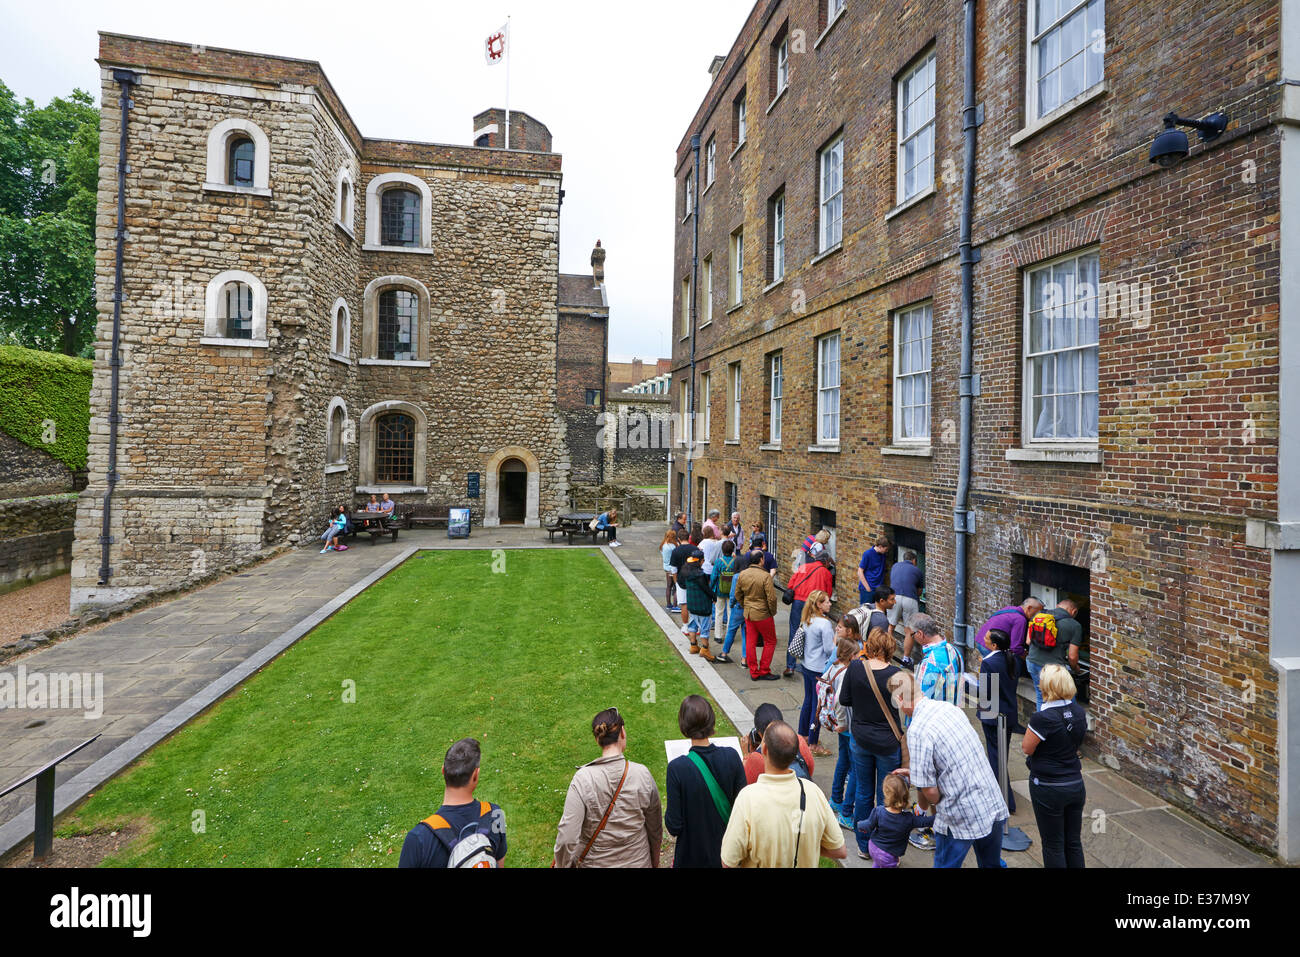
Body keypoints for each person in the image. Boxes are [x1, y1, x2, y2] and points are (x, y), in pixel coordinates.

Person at [890, 670, 1009, 868]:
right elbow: (954, 759)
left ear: (901, 698)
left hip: (959, 815)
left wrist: (925, 788)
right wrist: (917, 774)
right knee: (992, 865)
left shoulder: (917, 730)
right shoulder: (948, 708)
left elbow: (930, 793)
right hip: (989, 801)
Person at [721, 721, 846, 868]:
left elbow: (728, 862)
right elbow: (840, 850)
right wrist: (808, 847)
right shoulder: (813, 792)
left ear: (764, 749)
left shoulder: (747, 798)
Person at [553, 708, 662, 868]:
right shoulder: (642, 774)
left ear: (597, 740)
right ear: (622, 732)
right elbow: (655, 828)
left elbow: (567, 838)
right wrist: (654, 861)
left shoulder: (582, 780)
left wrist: (563, 865)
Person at [837, 626, 902, 858]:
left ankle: (864, 846)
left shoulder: (855, 668)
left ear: (870, 646)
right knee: (887, 796)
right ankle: (883, 845)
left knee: (863, 793)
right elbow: (903, 707)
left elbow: (844, 699)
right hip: (887, 743)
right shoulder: (896, 674)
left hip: (861, 739)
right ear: (890, 648)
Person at [664, 695, 747, 868]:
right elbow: (743, 811)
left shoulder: (677, 768)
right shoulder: (732, 756)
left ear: (683, 726)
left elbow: (674, 825)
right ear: (712, 722)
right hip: (727, 856)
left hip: (691, 858)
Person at [399, 738, 506, 868]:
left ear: (443, 770)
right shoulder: (495, 814)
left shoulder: (418, 838)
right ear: (475, 775)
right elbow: (499, 864)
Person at [1023, 664, 1088, 868]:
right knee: (1073, 842)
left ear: (1047, 687)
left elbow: (1027, 748)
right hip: (1075, 784)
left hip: (1049, 787)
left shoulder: (1043, 718)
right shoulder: (1079, 712)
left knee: (1053, 845)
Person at [978, 628, 1021, 814]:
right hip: (1009, 714)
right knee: (1001, 755)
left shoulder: (989, 663)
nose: (984, 639)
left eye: (986, 638)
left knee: (995, 757)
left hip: (993, 717)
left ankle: (1004, 800)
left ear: (994, 645)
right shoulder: (1013, 660)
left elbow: (987, 694)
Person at [859, 773, 935, 868]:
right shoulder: (909, 819)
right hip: (889, 856)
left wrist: (860, 825)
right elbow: (926, 821)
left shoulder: (878, 811)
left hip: (873, 847)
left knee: (878, 863)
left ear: (886, 794)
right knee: (884, 863)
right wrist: (941, 815)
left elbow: (868, 825)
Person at [823, 631, 859, 829]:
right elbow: (839, 700)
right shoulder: (847, 673)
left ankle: (836, 798)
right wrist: (844, 723)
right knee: (855, 769)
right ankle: (846, 812)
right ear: (850, 656)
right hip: (848, 726)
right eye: (857, 656)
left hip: (840, 724)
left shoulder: (835, 668)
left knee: (843, 761)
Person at [975, 597, 1045, 696]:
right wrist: (1027, 657)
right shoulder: (1020, 620)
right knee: (998, 675)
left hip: (981, 640)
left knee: (991, 674)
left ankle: (988, 696)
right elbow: (1015, 648)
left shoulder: (1010, 609)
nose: (1038, 615)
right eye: (1037, 612)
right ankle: (994, 700)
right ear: (1029, 608)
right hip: (990, 646)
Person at [784, 543, 835, 678]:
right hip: (813, 605)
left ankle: (790, 666)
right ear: (825, 562)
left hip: (798, 603)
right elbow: (827, 594)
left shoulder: (803, 567)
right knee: (812, 635)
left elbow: (791, 585)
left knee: (795, 632)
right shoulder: (826, 573)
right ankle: (807, 664)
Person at [796, 590, 836, 758]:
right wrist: (836, 642)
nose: (830, 604)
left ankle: (802, 735)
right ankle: (813, 743)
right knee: (817, 706)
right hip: (819, 668)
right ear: (819, 605)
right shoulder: (825, 624)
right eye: (827, 602)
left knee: (808, 700)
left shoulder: (808, 619)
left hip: (806, 665)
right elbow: (829, 650)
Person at [1026, 598, 1083, 710]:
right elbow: (1072, 656)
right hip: (1054, 669)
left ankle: (1042, 725)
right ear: (1074, 611)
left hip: (1032, 662)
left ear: (1057, 606)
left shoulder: (1039, 616)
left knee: (1041, 696)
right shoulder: (1074, 625)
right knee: (1068, 698)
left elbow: (1028, 641)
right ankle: (1072, 725)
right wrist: (1076, 669)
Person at [734, 545, 781, 680]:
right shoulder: (766, 576)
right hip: (763, 614)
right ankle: (764, 670)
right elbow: (771, 598)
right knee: (770, 641)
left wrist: (745, 605)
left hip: (748, 613)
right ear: (761, 560)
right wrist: (772, 611)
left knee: (750, 641)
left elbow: (738, 594)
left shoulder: (742, 574)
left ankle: (754, 671)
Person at [741, 701, 816, 785]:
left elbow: (745, 785)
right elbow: (809, 770)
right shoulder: (798, 740)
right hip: (802, 790)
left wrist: (747, 755)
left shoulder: (757, 758)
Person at [913, 613, 964, 706]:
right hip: (952, 714)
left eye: (912, 635)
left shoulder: (928, 663)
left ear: (920, 634)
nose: (912, 638)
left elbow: (920, 703)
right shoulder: (955, 651)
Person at [680, 547, 717, 660]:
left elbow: (682, 585)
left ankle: (693, 646)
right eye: (703, 560)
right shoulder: (700, 575)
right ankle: (705, 649)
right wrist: (714, 597)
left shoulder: (685, 572)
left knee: (692, 625)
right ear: (699, 561)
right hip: (703, 605)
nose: (704, 562)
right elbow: (706, 589)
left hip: (691, 604)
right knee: (705, 628)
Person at [890, 551, 925, 668]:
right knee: (909, 631)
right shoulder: (918, 571)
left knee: (890, 626)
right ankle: (905, 659)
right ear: (914, 560)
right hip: (910, 598)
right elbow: (919, 591)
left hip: (894, 597)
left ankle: (884, 653)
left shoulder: (895, 566)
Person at [709, 540, 739, 661]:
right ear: (732, 550)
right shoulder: (735, 562)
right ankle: (729, 636)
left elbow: (714, 577)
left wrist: (711, 590)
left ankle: (718, 635)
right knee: (731, 612)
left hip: (720, 590)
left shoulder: (718, 562)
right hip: (732, 591)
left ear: (722, 550)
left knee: (719, 612)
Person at [669, 530, 695, 631]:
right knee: (694, 603)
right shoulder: (694, 549)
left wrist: (675, 582)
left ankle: (685, 626)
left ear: (678, 539)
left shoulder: (676, 551)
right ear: (689, 538)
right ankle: (695, 626)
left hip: (681, 580)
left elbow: (674, 569)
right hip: (694, 579)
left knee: (684, 604)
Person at [857, 535, 890, 604]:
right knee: (866, 612)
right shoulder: (867, 554)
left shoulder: (882, 554)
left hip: (878, 589)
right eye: (886, 549)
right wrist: (867, 588)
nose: (887, 551)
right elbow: (860, 571)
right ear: (880, 547)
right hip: (868, 589)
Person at [660, 528, 681, 613]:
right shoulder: (673, 547)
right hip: (673, 568)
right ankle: (675, 606)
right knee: (676, 587)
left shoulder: (663, 545)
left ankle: (669, 604)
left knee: (669, 586)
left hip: (667, 568)